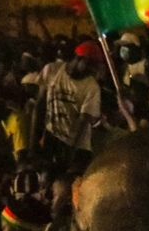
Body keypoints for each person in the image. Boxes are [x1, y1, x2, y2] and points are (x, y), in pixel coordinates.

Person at [32, 41, 102, 173]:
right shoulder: (51, 70)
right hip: (51, 137)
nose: (92, 70)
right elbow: (39, 105)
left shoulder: (91, 86)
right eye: (90, 65)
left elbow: (83, 121)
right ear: (79, 58)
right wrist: (34, 143)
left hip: (77, 145)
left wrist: (71, 151)